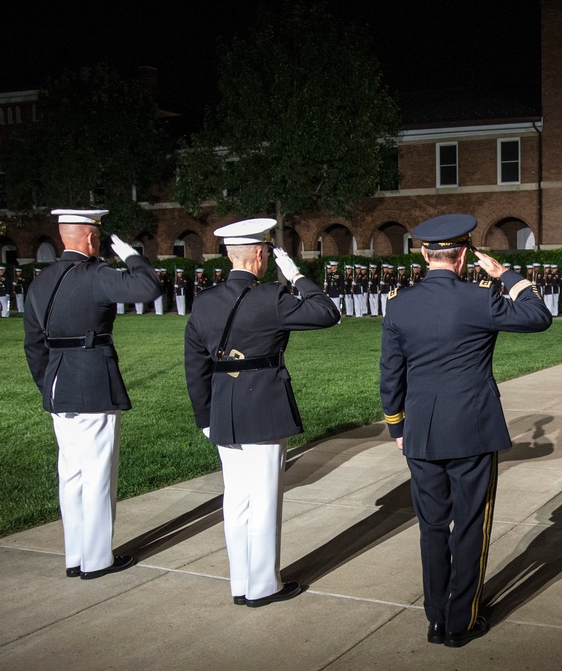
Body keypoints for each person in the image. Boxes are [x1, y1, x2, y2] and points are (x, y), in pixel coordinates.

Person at [379, 213, 551, 648]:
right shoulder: (480, 298)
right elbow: (538, 316)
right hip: (472, 428)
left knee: (432, 527)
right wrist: (507, 274)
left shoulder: (400, 302)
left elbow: (390, 373)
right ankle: (461, 621)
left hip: (420, 431)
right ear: (464, 256)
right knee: (471, 524)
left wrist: (397, 426)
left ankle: (436, 619)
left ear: (423, 253)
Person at [185, 218, 339, 606]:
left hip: (223, 409)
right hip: (264, 406)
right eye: (268, 253)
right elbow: (326, 312)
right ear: (259, 254)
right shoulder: (270, 297)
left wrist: (204, 416)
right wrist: (297, 276)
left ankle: (241, 582)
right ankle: (263, 586)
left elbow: (195, 364)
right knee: (265, 499)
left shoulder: (204, 300)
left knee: (235, 500)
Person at [23, 208, 160, 579]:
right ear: (90, 238)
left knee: (70, 475)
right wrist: (132, 256)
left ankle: (75, 556)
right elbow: (148, 288)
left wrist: (48, 383)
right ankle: (97, 559)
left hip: (57, 383)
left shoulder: (40, 282)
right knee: (98, 473)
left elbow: (34, 345)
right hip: (92, 381)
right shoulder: (96, 275)